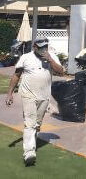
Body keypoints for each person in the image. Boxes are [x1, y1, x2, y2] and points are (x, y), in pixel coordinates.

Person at [5, 38, 63, 166]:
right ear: (34, 47)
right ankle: (29, 153)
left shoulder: (51, 56)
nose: (44, 49)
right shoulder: (26, 57)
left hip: (44, 96)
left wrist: (51, 60)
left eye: (46, 46)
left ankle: (32, 141)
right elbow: (16, 75)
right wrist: (10, 93)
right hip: (28, 95)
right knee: (30, 123)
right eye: (41, 47)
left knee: (37, 124)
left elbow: (61, 71)